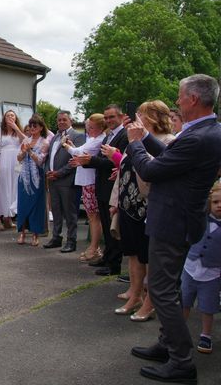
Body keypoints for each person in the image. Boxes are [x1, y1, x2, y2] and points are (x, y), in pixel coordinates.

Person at [126, 74, 221, 384]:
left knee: (163, 292)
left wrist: (136, 143)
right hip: (182, 220)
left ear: (193, 99)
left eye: (180, 97)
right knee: (171, 290)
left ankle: (181, 361)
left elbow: (152, 169)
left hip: (172, 221)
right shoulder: (207, 131)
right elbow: (171, 156)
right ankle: (167, 345)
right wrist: (146, 138)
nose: (177, 102)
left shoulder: (198, 136)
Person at [107, 100, 174, 321]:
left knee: (150, 257)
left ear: (154, 117)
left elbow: (152, 171)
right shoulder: (133, 140)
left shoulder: (167, 142)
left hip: (149, 207)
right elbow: (122, 171)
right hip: (128, 205)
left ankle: (150, 302)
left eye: (141, 115)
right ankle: (134, 295)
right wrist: (115, 201)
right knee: (133, 253)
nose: (136, 119)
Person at [72, 104, 128, 276]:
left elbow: (114, 162)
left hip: (112, 187)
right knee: (105, 224)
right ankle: (106, 257)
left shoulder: (123, 135)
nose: (109, 120)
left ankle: (114, 264)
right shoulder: (108, 137)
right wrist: (87, 162)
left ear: (120, 116)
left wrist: (91, 161)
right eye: (107, 117)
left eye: (112, 117)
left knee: (112, 227)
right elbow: (101, 160)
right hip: (102, 186)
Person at [181, 181, 221, 355]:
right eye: (215, 202)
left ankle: (206, 334)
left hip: (212, 273)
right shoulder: (201, 218)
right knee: (184, 301)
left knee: (208, 306)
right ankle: (179, 331)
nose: (219, 206)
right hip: (190, 267)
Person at [63, 113, 107, 262]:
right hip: (86, 180)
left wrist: (66, 145)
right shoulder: (94, 138)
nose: (89, 130)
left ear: (101, 127)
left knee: (94, 217)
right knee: (92, 216)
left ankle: (94, 247)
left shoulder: (99, 139)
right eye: (88, 127)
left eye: (92, 127)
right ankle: (94, 247)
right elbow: (80, 151)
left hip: (90, 180)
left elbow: (79, 152)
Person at [44, 111, 85, 252]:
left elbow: (74, 160)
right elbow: (49, 157)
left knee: (70, 213)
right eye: (59, 120)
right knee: (55, 211)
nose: (61, 122)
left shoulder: (78, 136)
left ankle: (71, 241)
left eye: (64, 120)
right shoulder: (55, 137)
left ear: (70, 121)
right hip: (53, 180)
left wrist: (58, 173)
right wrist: (48, 172)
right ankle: (56, 237)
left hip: (67, 181)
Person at [16, 114, 49, 247]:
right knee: (23, 205)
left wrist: (30, 151)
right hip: (24, 177)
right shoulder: (25, 140)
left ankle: (36, 234)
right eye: (30, 125)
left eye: (35, 125)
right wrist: (23, 152)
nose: (32, 128)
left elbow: (41, 161)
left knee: (36, 206)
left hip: (37, 178)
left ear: (41, 127)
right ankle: (22, 232)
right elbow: (19, 158)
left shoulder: (45, 142)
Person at [0, 110, 25, 230]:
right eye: (8, 115)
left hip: (16, 162)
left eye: (12, 115)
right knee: (2, 187)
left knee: (14, 188)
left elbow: (25, 141)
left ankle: (8, 216)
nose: (10, 117)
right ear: (4, 118)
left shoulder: (18, 131)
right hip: (3, 160)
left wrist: (16, 128)